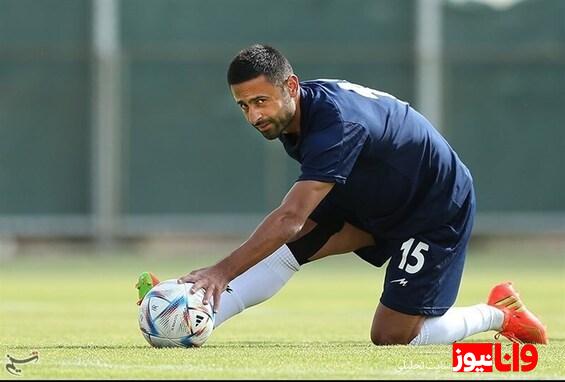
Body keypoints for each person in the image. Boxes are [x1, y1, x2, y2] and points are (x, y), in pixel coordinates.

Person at [175, 44, 547, 345]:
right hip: (373, 192)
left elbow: (290, 218)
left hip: (432, 206)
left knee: (391, 335)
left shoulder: (335, 125)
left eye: (261, 101)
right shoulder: (296, 116)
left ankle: (499, 313)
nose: (254, 116)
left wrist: (221, 271)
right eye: (244, 105)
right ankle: (199, 314)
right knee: (289, 250)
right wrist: (191, 297)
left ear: (291, 86)